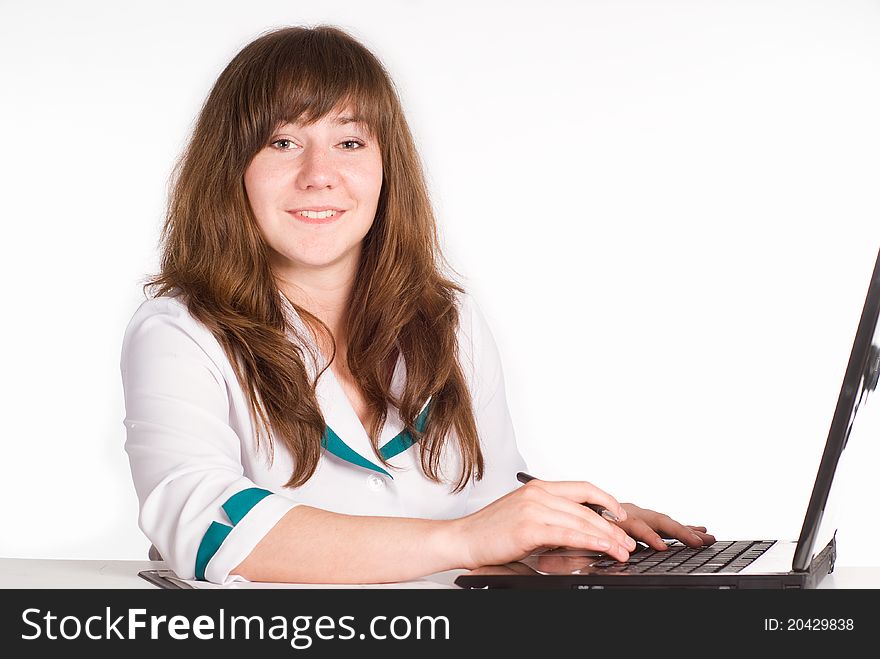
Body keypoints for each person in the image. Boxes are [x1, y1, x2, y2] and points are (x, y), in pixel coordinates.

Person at [121, 24, 714, 585]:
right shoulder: (181, 332)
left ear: (386, 170)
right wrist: (462, 540)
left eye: (349, 141)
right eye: (282, 142)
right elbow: (201, 523)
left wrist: (568, 530)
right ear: (232, 170)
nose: (319, 174)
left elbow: (486, 504)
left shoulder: (448, 322)